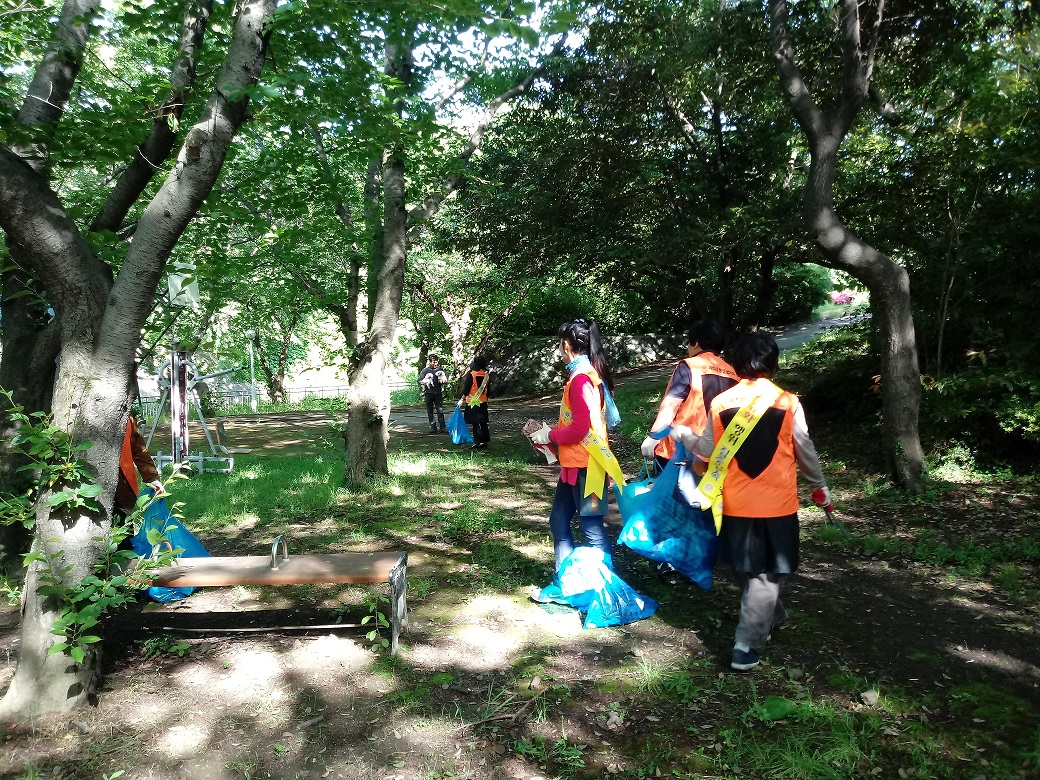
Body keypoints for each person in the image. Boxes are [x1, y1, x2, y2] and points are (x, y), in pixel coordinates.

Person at [670, 331, 833, 671]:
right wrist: (819, 487)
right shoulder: (788, 402)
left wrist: (684, 434)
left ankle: (771, 615)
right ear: (773, 362)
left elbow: (709, 450)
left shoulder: (722, 403)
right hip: (777, 505)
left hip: (736, 503)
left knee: (749, 569)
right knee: (766, 575)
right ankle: (745, 645)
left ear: (737, 363)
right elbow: (805, 450)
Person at [526, 318, 625, 570]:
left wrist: (550, 436)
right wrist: (552, 432)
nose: (559, 352)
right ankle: (567, 582)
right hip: (574, 466)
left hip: (587, 469)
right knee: (559, 521)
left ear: (567, 345)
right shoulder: (586, 375)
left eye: (560, 345)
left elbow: (581, 429)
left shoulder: (581, 379)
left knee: (592, 530)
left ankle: (606, 592)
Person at [640, 320, 738, 472]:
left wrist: (654, 437)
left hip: (684, 451)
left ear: (696, 344)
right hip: (720, 451)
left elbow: (672, 404)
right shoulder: (733, 373)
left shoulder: (690, 366)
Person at [115, 413, 163, 520]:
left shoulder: (126, 417)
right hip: (92, 494)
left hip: (124, 492)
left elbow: (139, 450)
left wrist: (152, 478)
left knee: (125, 532)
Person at [457, 356, 491, 449]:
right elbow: (488, 391)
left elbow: (466, 389)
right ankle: (484, 441)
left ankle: (477, 442)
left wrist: (461, 400)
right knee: (483, 422)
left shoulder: (472, 375)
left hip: (473, 402)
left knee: (475, 423)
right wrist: (487, 401)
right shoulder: (486, 375)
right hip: (483, 402)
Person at [418, 354, 449, 433]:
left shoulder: (440, 369)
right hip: (428, 393)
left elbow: (445, 379)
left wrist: (443, 380)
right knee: (430, 411)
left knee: (440, 410)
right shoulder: (425, 370)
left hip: (438, 393)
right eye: (434, 362)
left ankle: (442, 427)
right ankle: (433, 427)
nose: (435, 364)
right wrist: (425, 381)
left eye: (436, 362)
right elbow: (419, 380)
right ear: (430, 362)